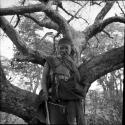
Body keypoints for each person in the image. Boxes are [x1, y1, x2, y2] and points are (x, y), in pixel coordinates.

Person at [40, 37, 85, 125]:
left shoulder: (72, 62)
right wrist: (45, 91)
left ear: (70, 49)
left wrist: (72, 64)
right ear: (57, 49)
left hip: (69, 94)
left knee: (73, 121)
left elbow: (78, 79)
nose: (64, 50)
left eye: (66, 48)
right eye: (61, 48)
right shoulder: (50, 60)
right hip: (54, 93)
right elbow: (44, 77)